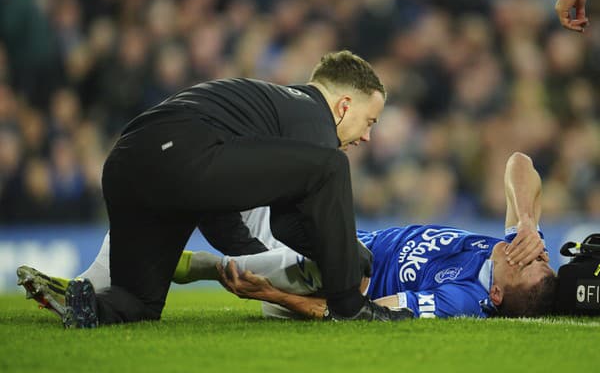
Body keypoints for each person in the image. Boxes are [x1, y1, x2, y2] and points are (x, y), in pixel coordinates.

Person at [34, 50, 419, 328]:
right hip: (178, 151)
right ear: (343, 106)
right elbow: (296, 216)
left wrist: (257, 260)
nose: (368, 136)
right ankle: (350, 307)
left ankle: (84, 306)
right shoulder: (313, 117)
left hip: (127, 163)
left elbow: (231, 209)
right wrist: (351, 262)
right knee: (334, 165)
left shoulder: (273, 109)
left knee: (137, 302)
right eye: (370, 121)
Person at [18, 152, 556, 319]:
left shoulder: (462, 299)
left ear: (498, 295)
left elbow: (362, 314)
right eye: (540, 253)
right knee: (188, 198)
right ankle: (99, 286)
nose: (528, 250)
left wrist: (273, 296)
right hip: (314, 245)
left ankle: (86, 294)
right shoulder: (504, 247)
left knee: (190, 185)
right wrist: (527, 221)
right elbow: (519, 164)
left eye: (528, 260)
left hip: (315, 274)